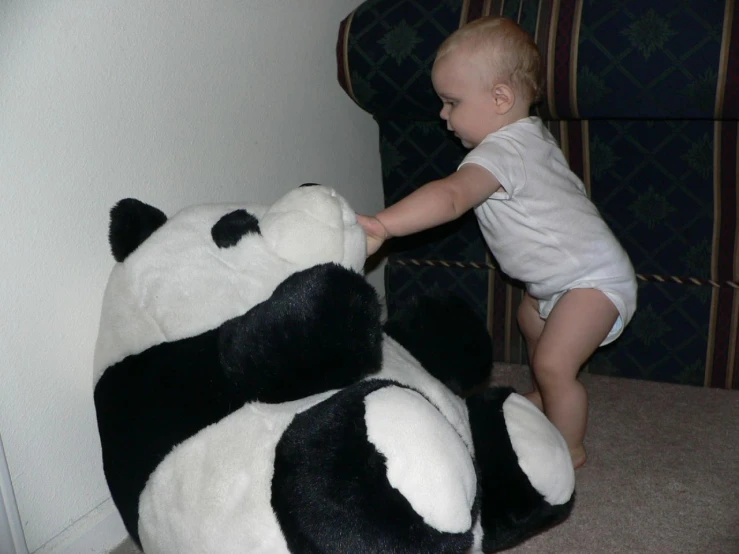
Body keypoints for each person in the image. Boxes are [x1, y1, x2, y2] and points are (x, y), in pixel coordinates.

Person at [357, 16, 637, 469]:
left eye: (451, 102)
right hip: (558, 281)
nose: (443, 115)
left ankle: (568, 447)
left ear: (500, 98)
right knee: (534, 322)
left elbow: (450, 198)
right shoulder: (525, 137)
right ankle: (548, 394)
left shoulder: (501, 153)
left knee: (553, 362)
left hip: (593, 280)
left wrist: (383, 225)